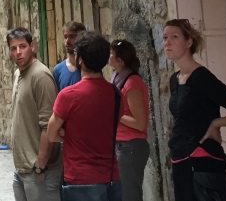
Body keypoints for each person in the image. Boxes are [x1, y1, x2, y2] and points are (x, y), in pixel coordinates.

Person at [163, 19, 226, 201]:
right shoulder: (175, 79)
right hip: (180, 161)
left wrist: (217, 123)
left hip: (204, 162)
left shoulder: (202, 78)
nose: (167, 42)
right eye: (165, 38)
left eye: (174, 37)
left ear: (188, 42)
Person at [46, 31, 121, 194]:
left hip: (79, 178)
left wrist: (69, 134)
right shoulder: (115, 94)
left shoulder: (68, 96)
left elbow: (51, 134)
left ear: (80, 59)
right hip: (110, 177)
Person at [8, 27, 61, 201]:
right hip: (22, 168)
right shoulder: (18, 73)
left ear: (32, 46)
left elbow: (49, 125)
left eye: (22, 46)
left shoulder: (41, 76)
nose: (18, 52)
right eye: (13, 48)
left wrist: (40, 165)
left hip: (39, 170)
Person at [109, 39, 150, 201]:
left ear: (120, 60)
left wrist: (114, 113)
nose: (108, 56)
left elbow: (140, 123)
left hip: (131, 146)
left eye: (111, 54)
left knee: (129, 195)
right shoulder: (117, 78)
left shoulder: (131, 83)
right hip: (121, 144)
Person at [53, 21, 86, 92]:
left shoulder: (89, 67)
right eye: (65, 37)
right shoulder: (58, 70)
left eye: (72, 37)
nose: (67, 41)